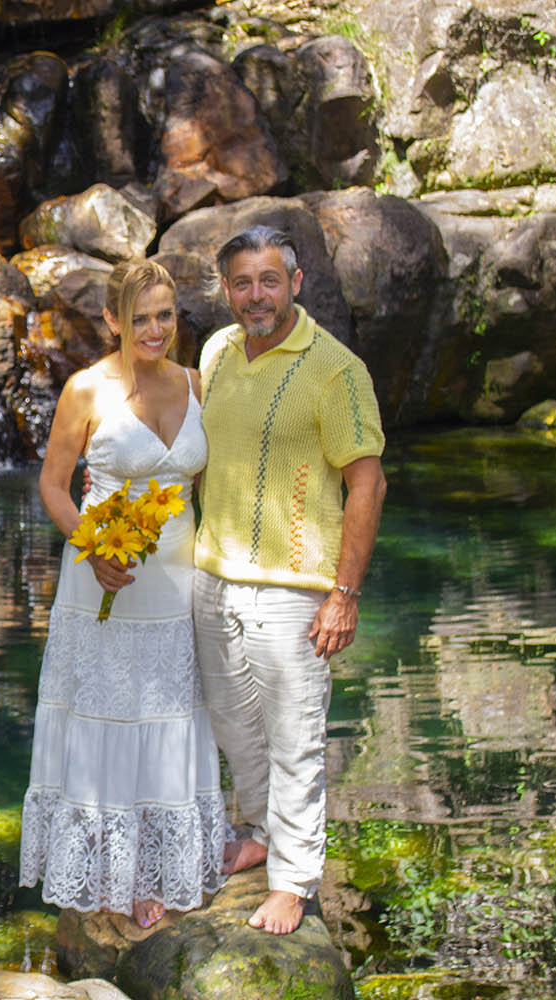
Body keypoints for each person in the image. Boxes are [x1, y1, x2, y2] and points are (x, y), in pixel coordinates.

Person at [190, 224, 387, 934]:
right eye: (242, 283)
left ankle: (295, 878)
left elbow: (368, 483)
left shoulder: (336, 370)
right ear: (227, 290)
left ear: (296, 283)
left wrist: (344, 592)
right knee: (234, 726)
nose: (256, 296)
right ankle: (261, 835)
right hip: (212, 577)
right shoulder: (215, 352)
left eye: (269, 280)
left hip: (295, 585)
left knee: (295, 731)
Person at [19, 259, 227, 928]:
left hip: (178, 583)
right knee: (110, 713)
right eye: (140, 318)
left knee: (170, 713)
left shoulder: (197, 383)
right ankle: (117, 875)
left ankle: (164, 869)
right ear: (113, 320)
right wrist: (94, 547)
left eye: (165, 315)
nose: (155, 329)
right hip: (104, 577)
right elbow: (54, 485)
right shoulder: (86, 389)